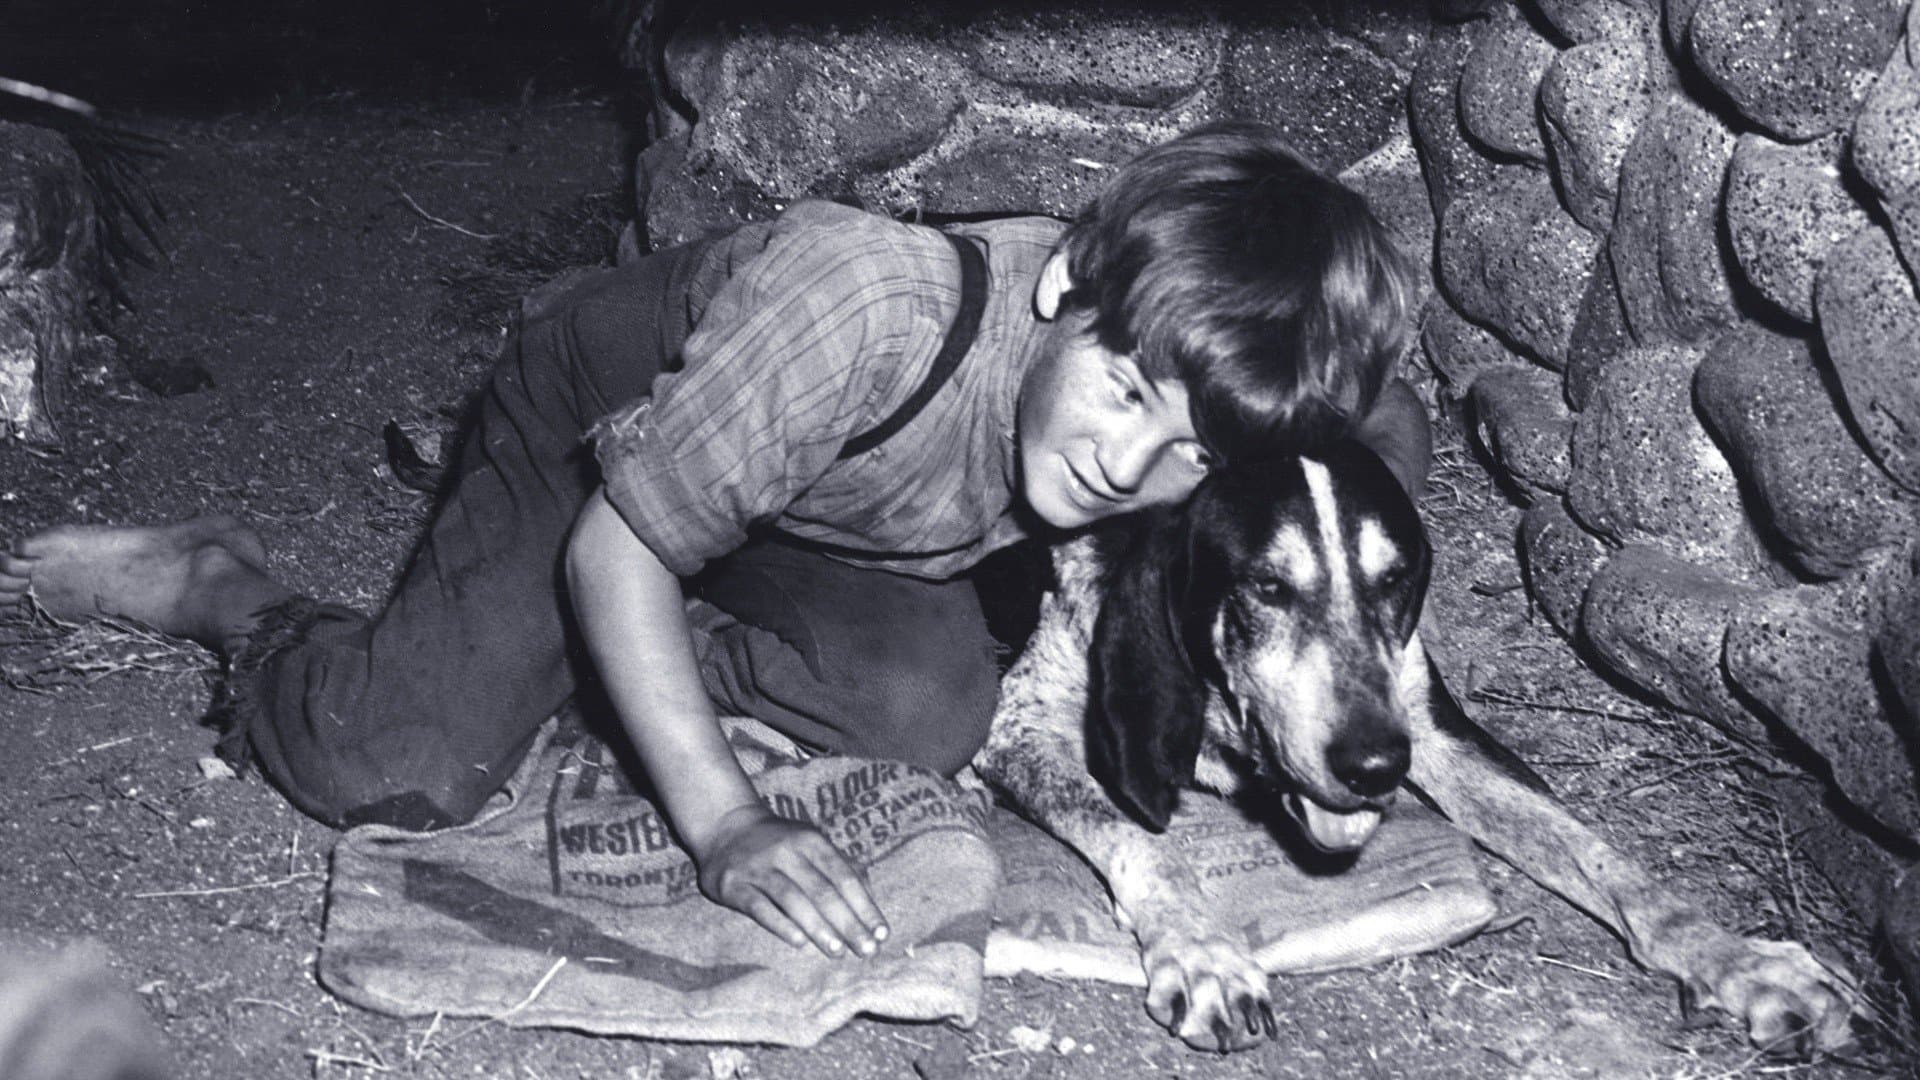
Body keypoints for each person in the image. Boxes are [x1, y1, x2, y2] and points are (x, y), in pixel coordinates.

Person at [1, 120, 1427, 962]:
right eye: (1123, 393)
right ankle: (220, 588)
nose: (1131, 465)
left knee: (930, 709)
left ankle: (616, 666)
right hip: (601, 437)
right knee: (399, 764)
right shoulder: (866, 305)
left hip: (808, 513)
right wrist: (727, 822)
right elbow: (622, 543)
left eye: (1186, 446)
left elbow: (1376, 440)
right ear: (1066, 283)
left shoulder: (1167, 409)